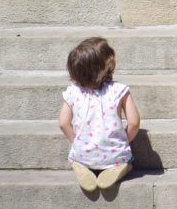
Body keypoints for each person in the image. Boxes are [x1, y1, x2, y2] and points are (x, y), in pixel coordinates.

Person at [58, 37, 140, 193]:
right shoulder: (120, 90)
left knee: (80, 158)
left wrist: (77, 142)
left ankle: (81, 166)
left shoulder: (72, 92)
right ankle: (122, 167)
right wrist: (124, 141)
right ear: (108, 66)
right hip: (115, 154)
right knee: (127, 162)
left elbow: (63, 123)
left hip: (83, 153)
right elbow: (134, 123)